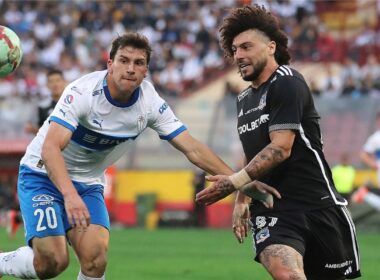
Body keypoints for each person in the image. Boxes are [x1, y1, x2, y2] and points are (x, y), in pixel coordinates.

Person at [0, 32, 279, 280]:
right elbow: (50, 149)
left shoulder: (149, 104)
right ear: (110, 64)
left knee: (95, 260)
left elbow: (192, 147)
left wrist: (241, 181)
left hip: (87, 182)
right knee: (52, 263)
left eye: (138, 63)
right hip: (43, 175)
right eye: (123, 60)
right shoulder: (82, 92)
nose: (130, 69)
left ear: (146, 70)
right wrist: (69, 196)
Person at [196, 5, 361, 279]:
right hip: (274, 210)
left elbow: (280, 148)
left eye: (246, 47)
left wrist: (233, 182)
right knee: (288, 275)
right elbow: (253, 155)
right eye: (235, 49)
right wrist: (241, 199)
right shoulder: (243, 99)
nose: (238, 55)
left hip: (320, 205)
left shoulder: (287, 81)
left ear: (271, 47)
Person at [24, 69, 67, 134]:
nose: (55, 84)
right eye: (51, 81)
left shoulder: (73, 104)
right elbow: (33, 128)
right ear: (47, 85)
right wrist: (32, 129)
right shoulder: (41, 106)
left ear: (64, 82)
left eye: (58, 80)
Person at [352, 112, 380, 210]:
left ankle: (365, 195)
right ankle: (365, 194)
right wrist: (373, 164)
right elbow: (363, 154)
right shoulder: (376, 138)